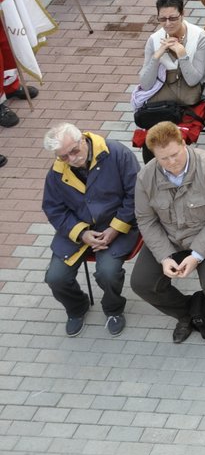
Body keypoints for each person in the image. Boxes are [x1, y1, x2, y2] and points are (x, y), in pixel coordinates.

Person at [131, 122, 205, 346]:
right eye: (163, 159)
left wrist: (197, 255)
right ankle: (187, 312)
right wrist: (164, 256)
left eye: (174, 154)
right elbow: (146, 220)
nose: (171, 163)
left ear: (183, 143)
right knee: (142, 283)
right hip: (170, 237)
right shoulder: (145, 177)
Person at [40, 122, 139, 338]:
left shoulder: (117, 154)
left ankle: (113, 309)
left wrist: (115, 228)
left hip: (119, 227)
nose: (71, 159)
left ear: (82, 140)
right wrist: (81, 233)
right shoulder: (56, 173)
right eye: (63, 156)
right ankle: (77, 307)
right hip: (77, 232)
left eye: (74, 151)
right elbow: (54, 209)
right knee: (55, 278)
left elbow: (137, 195)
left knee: (108, 274)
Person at [133, 0, 205, 130]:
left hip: (192, 99)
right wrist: (156, 56)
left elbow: (193, 80)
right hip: (164, 102)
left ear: (182, 14)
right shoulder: (154, 40)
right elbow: (145, 84)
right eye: (162, 19)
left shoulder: (200, 37)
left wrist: (182, 54)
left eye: (173, 18)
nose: (168, 24)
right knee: (150, 139)